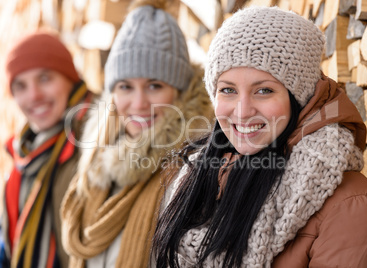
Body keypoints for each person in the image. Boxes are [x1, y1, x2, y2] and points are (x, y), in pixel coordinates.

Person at [152, 6, 367, 268]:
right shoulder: (198, 184)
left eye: (264, 90)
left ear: (300, 98)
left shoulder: (355, 211)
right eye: (228, 90)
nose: (242, 111)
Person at [59, 1, 213, 268]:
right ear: (112, 93)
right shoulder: (97, 168)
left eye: (154, 85)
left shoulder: (195, 173)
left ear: (180, 91)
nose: (139, 102)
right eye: (126, 86)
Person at [1, 31, 94, 268]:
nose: (34, 95)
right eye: (20, 85)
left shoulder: (98, 141)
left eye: (44, 78)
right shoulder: (25, 150)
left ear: (70, 78)